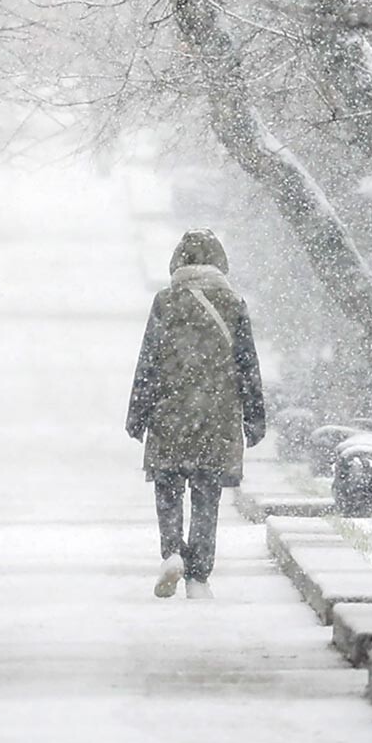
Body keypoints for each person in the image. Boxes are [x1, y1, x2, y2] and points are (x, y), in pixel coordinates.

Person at [126, 229, 265, 599]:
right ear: (220, 263)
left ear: (178, 262)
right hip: (215, 418)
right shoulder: (233, 304)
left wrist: (137, 414)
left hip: (169, 413)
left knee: (168, 489)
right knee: (206, 495)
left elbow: (149, 362)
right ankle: (199, 575)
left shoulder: (165, 302)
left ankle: (172, 552)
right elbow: (247, 364)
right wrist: (254, 417)